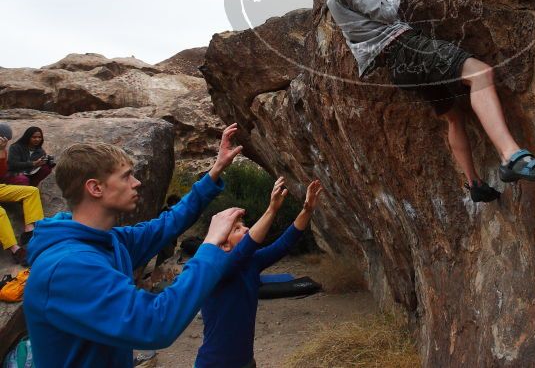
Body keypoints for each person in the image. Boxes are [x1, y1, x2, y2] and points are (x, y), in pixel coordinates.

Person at [322, 0, 535, 203]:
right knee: (480, 74)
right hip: (407, 49)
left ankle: (474, 183)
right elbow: (385, 10)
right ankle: (512, 157)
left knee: (454, 117)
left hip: (399, 69)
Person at [24, 123, 247, 368]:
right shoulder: (68, 267)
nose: (137, 182)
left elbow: (167, 224)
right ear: (95, 188)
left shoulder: (109, 241)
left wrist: (215, 171)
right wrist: (210, 248)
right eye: (126, 176)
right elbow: (154, 324)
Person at [194, 176, 324, 368]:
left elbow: (285, 243)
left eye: (244, 225)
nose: (245, 229)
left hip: (246, 362)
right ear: (224, 244)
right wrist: (271, 209)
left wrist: (307, 210)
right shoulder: (219, 269)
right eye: (237, 229)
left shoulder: (252, 262)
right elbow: (247, 245)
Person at [0, 123, 44, 266]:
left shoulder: (3, 150)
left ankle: (30, 231)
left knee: (32, 191)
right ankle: (15, 250)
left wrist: (1, 150)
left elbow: (1, 174)